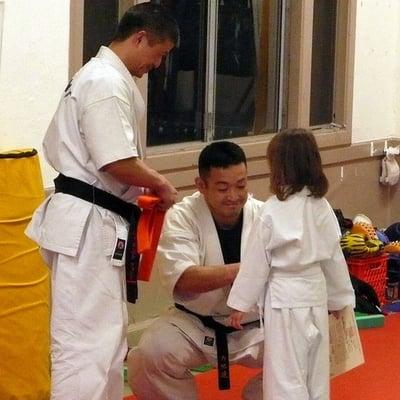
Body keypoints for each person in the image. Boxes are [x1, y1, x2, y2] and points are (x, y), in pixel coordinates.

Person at [25, 4, 179, 400]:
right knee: (85, 345)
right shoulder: (103, 82)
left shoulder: (103, 77)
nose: (157, 64)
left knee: (108, 342)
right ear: (140, 37)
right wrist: (160, 184)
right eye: (158, 53)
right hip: (88, 225)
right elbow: (115, 160)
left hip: (99, 223)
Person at [128, 141, 264, 400]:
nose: (233, 196)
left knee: (317, 343)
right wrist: (249, 269)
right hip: (195, 325)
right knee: (148, 355)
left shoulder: (265, 216)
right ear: (201, 185)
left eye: (241, 185)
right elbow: (185, 280)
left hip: (256, 327)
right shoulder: (182, 217)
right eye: (223, 188)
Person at [228, 128, 356, 400]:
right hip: (316, 296)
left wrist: (240, 303)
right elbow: (334, 260)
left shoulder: (272, 210)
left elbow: (255, 264)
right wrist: (340, 301)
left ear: (278, 167)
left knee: (285, 375)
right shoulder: (322, 208)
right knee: (316, 373)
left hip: (285, 302)